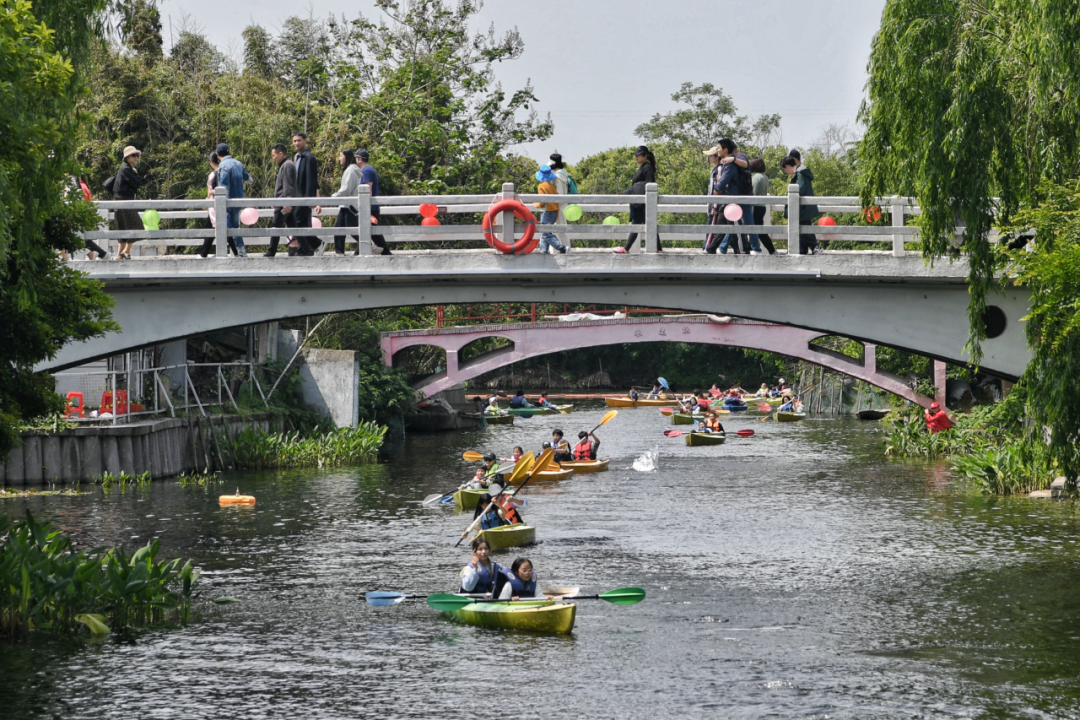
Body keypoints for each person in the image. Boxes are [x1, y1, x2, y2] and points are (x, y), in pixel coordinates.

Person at [710, 139, 762, 255]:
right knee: (734, 222)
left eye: (719, 147)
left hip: (743, 195)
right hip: (739, 195)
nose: (717, 149)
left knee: (747, 222)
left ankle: (756, 249)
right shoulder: (729, 161)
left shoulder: (739, 156)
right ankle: (723, 247)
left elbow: (746, 164)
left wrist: (732, 159)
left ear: (726, 149)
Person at [613, 146, 657, 254]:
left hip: (642, 203)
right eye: (636, 155)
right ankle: (658, 248)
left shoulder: (647, 168)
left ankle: (626, 248)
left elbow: (648, 185)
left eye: (639, 155)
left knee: (637, 225)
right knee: (650, 225)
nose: (636, 157)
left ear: (645, 156)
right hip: (641, 203)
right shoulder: (643, 167)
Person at [214, 143, 253, 257]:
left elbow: (224, 187)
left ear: (217, 154)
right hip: (239, 201)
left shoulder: (223, 166)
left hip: (227, 202)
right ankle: (240, 252)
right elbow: (249, 179)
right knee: (235, 227)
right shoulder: (238, 163)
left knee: (227, 227)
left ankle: (238, 252)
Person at [781, 156, 821, 255]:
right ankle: (802, 249)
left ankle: (815, 247)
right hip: (804, 207)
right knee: (804, 227)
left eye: (784, 169)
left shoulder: (799, 174)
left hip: (801, 208)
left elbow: (800, 189)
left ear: (787, 166)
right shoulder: (802, 172)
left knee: (801, 228)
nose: (786, 172)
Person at [110, 146, 143, 260]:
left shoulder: (125, 168)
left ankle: (120, 255)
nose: (136, 158)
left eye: (137, 155)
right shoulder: (126, 169)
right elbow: (137, 183)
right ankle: (126, 251)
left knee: (123, 229)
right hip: (125, 204)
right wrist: (136, 173)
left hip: (121, 203)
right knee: (137, 227)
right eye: (133, 155)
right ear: (127, 157)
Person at [356, 149, 391, 255]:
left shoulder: (366, 171)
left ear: (359, 159)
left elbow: (368, 190)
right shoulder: (368, 169)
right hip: (372, 207)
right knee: (368, 231)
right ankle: (358, 252)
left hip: (370, 207)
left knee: (371, 232)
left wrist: (366, 208)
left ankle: (386, 252)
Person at [265, 144, 297, 257]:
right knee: (295, 228)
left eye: (274, 155)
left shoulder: (287, 165)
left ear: (280, 154)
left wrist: (285, 202)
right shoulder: (286, 165)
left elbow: (287, 187)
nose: (273, 158)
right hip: (283, 202)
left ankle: (271, 252)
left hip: (283, 202)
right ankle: (310, 246)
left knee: (276, 227)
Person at [292, 132, 321, 256]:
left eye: (299, 140)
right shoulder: (297, 157)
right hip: (297, 197)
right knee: (303, 224)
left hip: (304, 197)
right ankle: (304, 250)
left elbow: (311, 179)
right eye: (294, 141)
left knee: (296, 222)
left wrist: (311, 199)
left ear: (305, 140)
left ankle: (316, 243)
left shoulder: (308, 157)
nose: (297, 143)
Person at [331, 148, 362, 256]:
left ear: (347, 157)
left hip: (349, 205)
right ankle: (339, 252)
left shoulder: (350, 170)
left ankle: (369, 243)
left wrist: (334, 196)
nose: (339, 159)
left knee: (351, 228)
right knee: (339, 228)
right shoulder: (352, 169)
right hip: (345, 204)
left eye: (341, 156)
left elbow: (347, 188)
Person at [534, 165, 567, 254]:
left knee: (545, 233)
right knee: (546, 232)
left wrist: (536, 205)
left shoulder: (541, 186)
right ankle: (543, 251)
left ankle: (560, 247)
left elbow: (542, 201)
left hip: (547, 212)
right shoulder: (552, 186)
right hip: (554, 211)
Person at [749, 157, 777, 254]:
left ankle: (752, 249)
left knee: (753, 229)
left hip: (755, 206)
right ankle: (772, 250)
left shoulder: (756, 177)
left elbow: (754, 193)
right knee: (760, 230)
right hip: (762, 206)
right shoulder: (765, 177)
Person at [549, 152, 572, 250]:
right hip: (565, 204)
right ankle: (564, 247)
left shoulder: (557, 177)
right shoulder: (564, 173)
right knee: (562, 228)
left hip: (558, 205)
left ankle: (561, 249)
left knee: (557, 229)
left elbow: (559, 193)